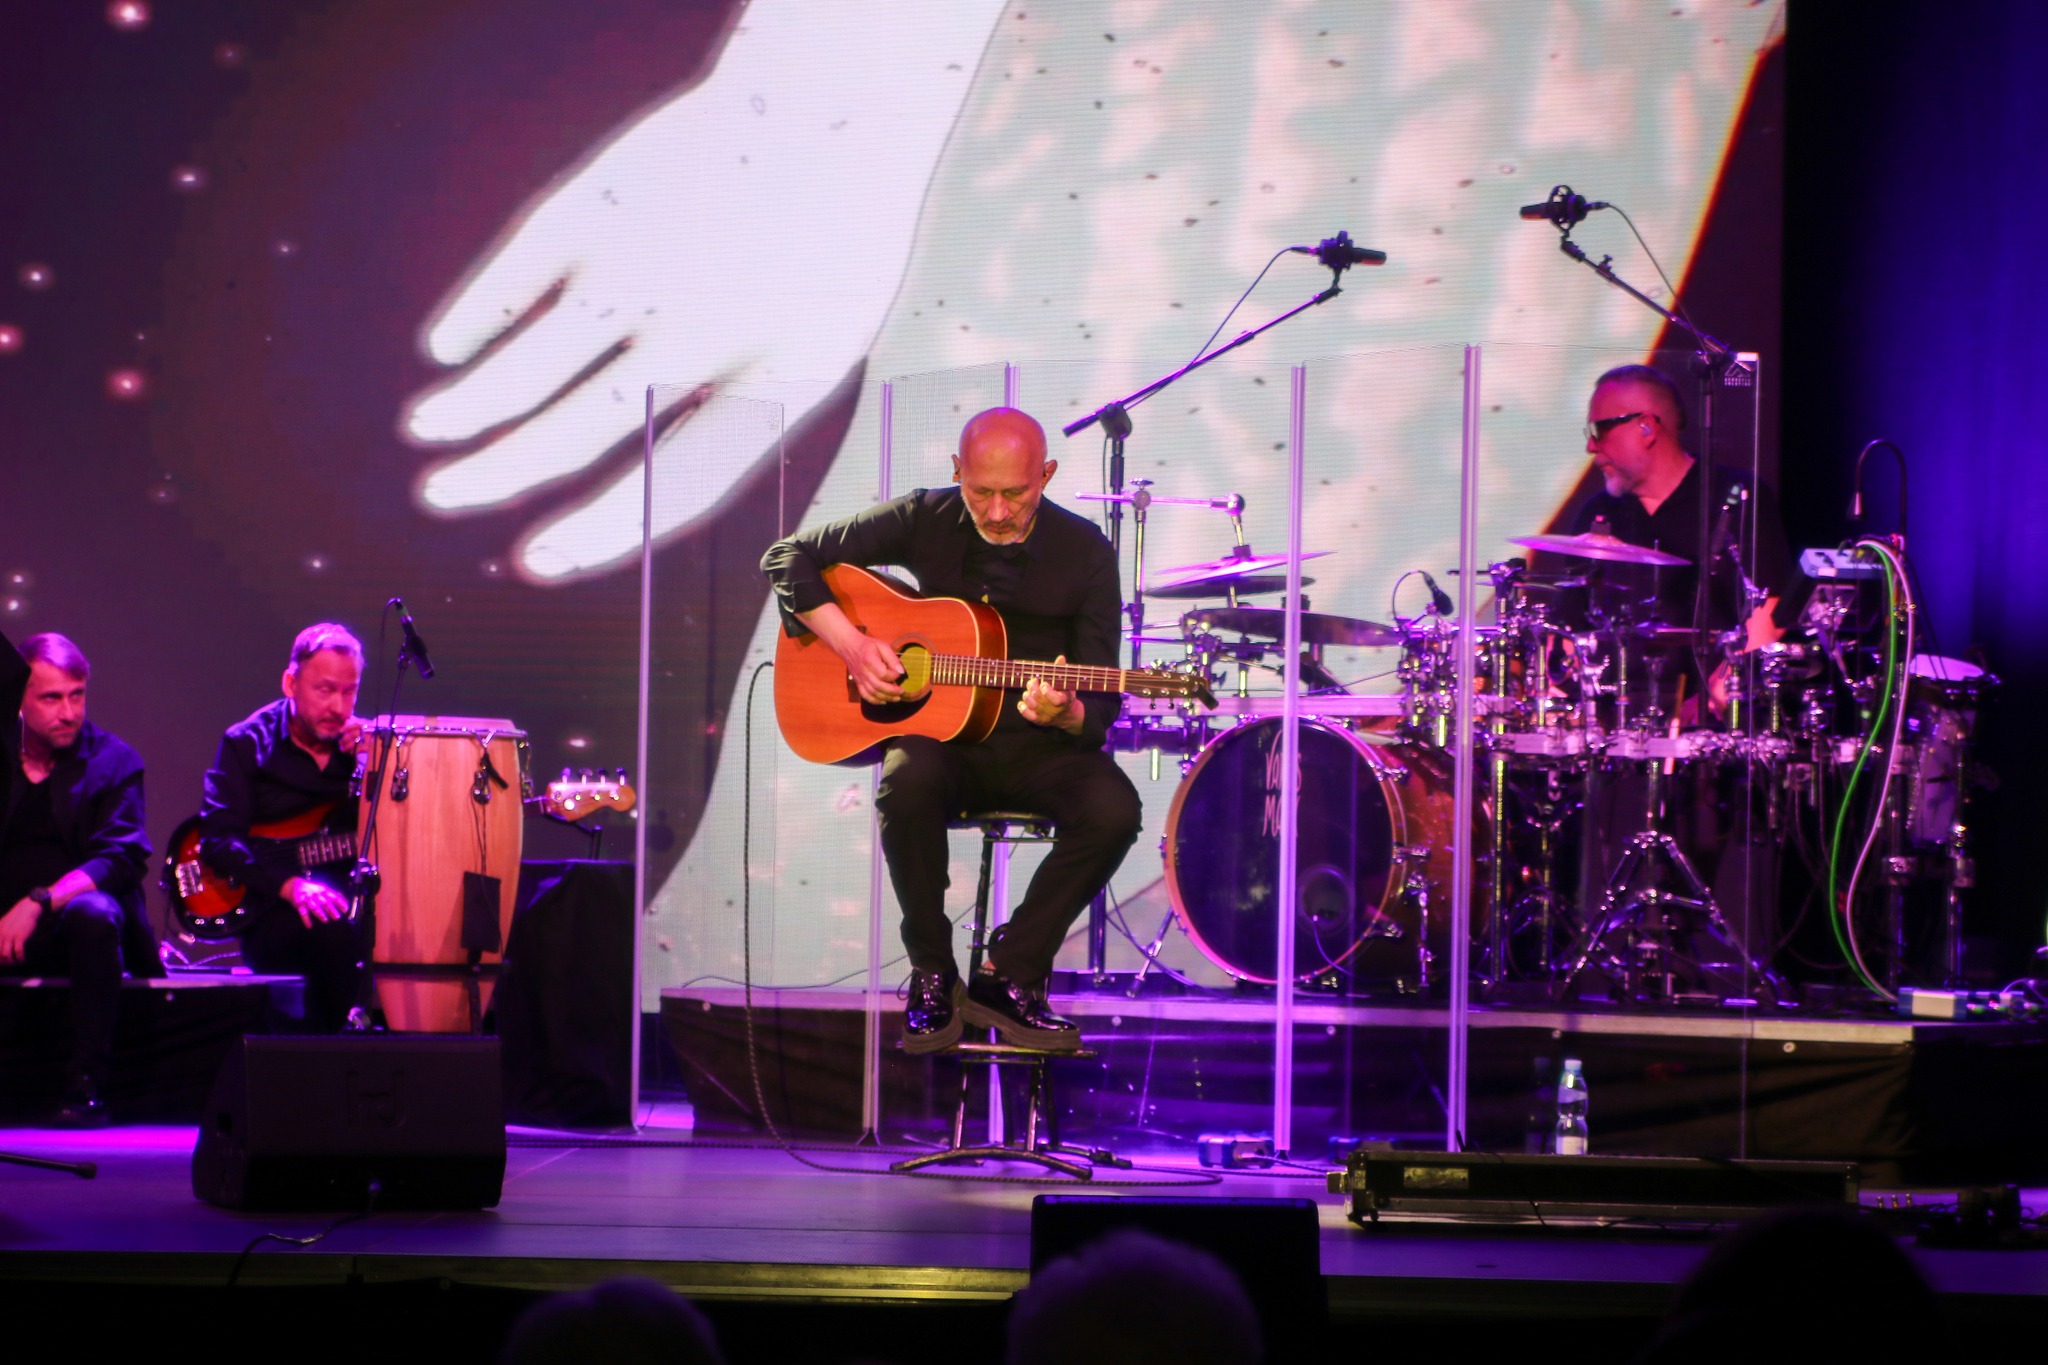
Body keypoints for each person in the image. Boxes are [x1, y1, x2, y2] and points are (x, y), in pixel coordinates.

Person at [761, 407, 1141, 1053]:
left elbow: (1099, 698)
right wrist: (854, 646)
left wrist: (1069, 713)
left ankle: (1009, 974)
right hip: (941, 741)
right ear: (957, 472)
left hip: (1038, 748)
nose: (997, 512)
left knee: (1114, 810)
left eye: (1016, 494)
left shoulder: (1086, 552)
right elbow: (786, 555)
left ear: (1046, 475)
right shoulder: (925, 516)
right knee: (906, 782)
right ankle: (932, 971)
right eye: (980, 492)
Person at [0, 632, 156, 1126]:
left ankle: (85, 1084)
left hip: (68, 924)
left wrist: (37, 903)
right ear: (19, 699)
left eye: (77, 695)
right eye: (52, 698)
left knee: (95, 913)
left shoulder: (114, 761)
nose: (68, 712)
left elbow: (120, 857)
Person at [199, 623, 367, 1032]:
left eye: (349, 692)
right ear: (290, 684)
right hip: (272, 905)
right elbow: (219, 838)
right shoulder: (246, 743)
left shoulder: (362, 748)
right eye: (325, 690)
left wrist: (376, 760)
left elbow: (391, 831)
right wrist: (290, 886)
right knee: (332, 937)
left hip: (350, 897)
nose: (339, 707)